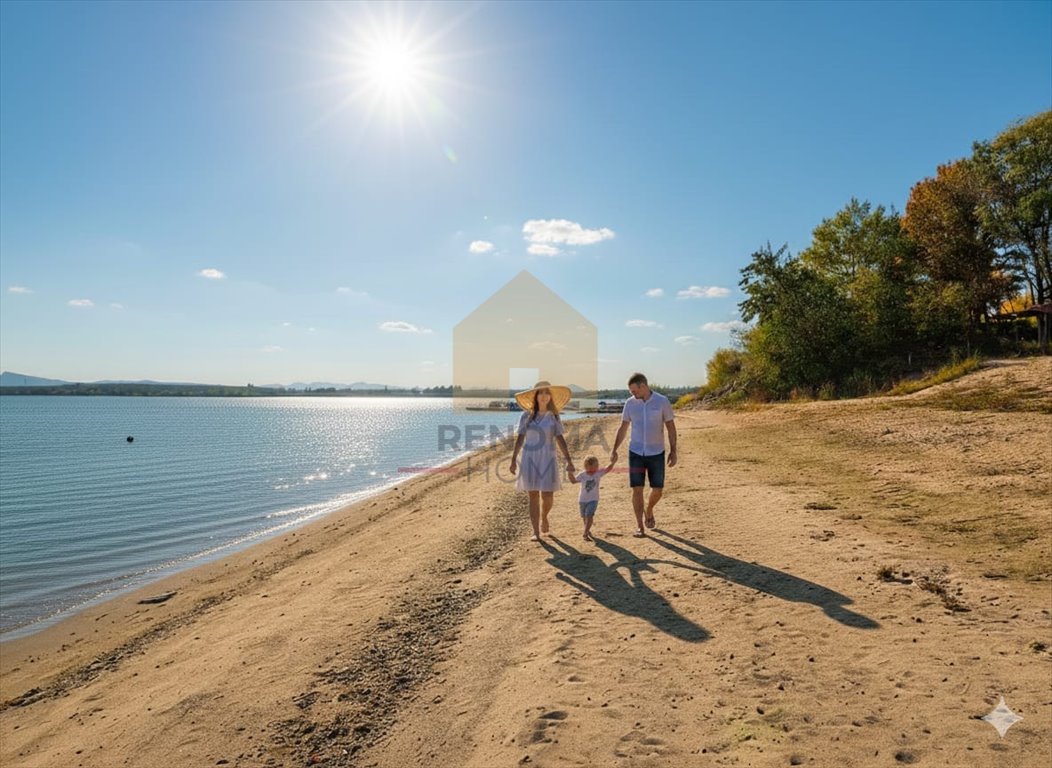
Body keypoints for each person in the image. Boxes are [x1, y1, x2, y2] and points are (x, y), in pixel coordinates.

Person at [609, 372, 677, 537]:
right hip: (636, 452)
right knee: (637, 489)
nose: (632, 394)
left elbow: (670, 427)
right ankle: (640, 526)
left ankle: (650, 508)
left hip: (656, 452)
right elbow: (623, 427)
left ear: (643, 386)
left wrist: (673, 450)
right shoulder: (630, 404)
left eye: (634, 391)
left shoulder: (662, 401)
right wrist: (614, 449)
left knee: (658, 489)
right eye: (631, 391)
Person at [509, 381, 576, 541]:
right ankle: (536, 532)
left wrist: (569, 460)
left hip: (548, 457)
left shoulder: (554, 416)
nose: (544, 396)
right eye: (541, 393)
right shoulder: (526, 415)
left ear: (550, 397)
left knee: (547, 495)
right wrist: (512, 460)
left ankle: (544, 516)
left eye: (547, 393)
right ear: (536, 396)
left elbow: (560, 439)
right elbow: (520, 439)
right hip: (529, 457)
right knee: (533, 495)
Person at [568, 455, 615, 541]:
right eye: (589, 467)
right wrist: (569, 472)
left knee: (589, 515)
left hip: (593, 499)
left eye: (595, 467)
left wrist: (613, 462)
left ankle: (585, 532)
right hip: (582, 500)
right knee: (584, 517)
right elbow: (573, 481)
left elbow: (607, 469)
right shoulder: (582, 475)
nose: (592, 469)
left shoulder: (598, 473)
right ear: (585, 467)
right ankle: (587, 529)